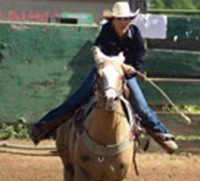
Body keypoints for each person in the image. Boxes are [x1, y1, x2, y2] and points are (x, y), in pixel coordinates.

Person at [29, 1, 178, 154]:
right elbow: (101, 53)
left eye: (126, 19)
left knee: (142, 106)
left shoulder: (135, 35)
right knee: (77, 99)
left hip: (125, 75)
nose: (123, 22)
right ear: (113, 20)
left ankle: (163, 136)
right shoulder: (106, 31)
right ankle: (42, 127)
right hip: (104, 71)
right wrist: (119, 65)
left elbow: (138, 59)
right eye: (119, 19)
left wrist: (131, 69)